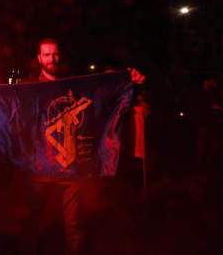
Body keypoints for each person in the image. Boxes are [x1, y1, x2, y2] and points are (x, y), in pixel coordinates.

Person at [23, 38, 145, 255]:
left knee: (74, 224)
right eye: (47, 54)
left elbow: (102, 95)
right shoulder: (31, 89)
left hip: (71, 167)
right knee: (37, 221)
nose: (52, 58)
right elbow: (14, 114)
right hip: (41, 168)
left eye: (55, 54)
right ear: (39, 58)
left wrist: (128, 82)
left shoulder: (74, 86)